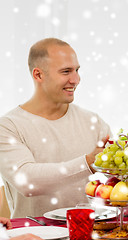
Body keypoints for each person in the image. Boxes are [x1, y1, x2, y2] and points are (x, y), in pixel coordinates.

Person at [0, 38, 111, 218]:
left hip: (85, 233)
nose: (76, 80)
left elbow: (116, 181)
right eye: (66, 71)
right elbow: (26, 182)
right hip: (32, 236)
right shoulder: (8, 126)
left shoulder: (93, 121)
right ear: (38, 75)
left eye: (77, 70)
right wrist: (87, 162)